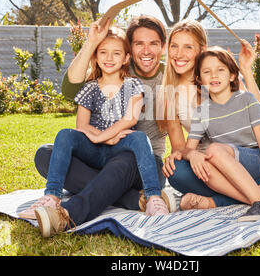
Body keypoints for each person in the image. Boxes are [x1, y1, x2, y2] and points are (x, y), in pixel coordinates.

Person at [30, 15, 172, 237]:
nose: (146, 50)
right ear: (130, 50)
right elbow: (70, 92)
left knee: (124, 159)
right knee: (45, 154)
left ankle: (66, 215)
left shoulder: (168, 75)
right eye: (139, 43)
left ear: (163, 47)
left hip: (139, 161)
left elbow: (131, 120)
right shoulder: (103, 74)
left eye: (153, 43)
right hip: (98, 154)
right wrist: (92, 42)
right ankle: (134, 200)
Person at [158, 19, 260, 211]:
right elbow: (182, 149)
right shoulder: (170, 93)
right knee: (176, 173)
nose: (179, 54)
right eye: (174, 46)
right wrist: (188, 156)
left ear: (202, 49)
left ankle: (218, 202)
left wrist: (246, 71)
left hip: (246, 158)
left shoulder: (221, 75)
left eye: (188, 47)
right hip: (210, 170)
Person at [185, 46, 260, 221]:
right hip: (227, 165)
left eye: (220, 70)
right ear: (199, 80)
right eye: (207, 71)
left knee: (213, 151)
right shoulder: (201, 111)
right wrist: (193, 155)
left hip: (254, 160)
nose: (214, 75)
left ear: (233, 75)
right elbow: (188, 149)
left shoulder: (246, 99)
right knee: (206, 166)